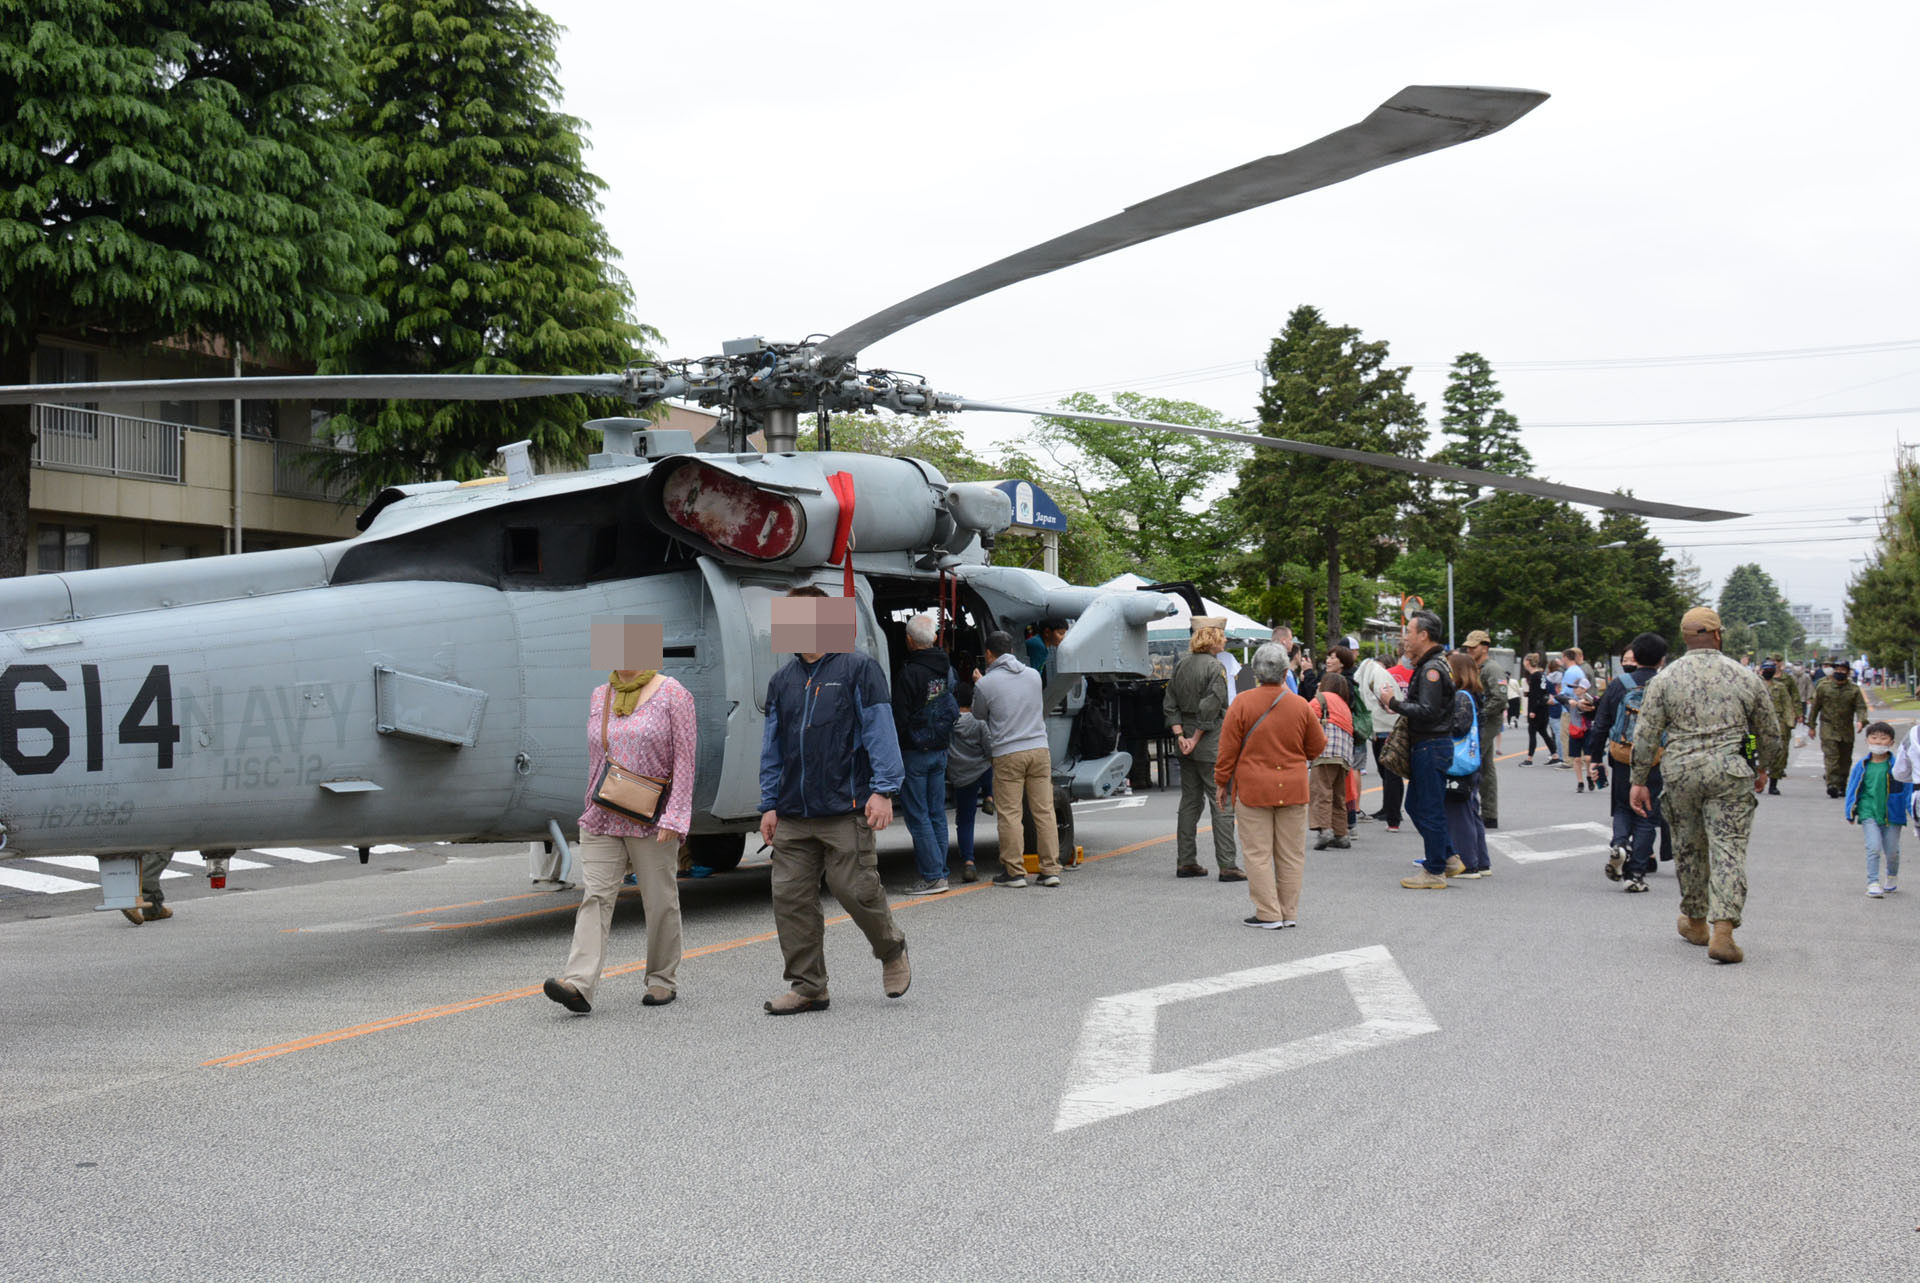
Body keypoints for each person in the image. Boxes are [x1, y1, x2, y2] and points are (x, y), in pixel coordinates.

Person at [757, 586, 911, 1015]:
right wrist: (769, 803)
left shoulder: (859, 669)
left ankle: (891, 949)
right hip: (793, 811)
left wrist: (883, 789)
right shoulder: (782, 681)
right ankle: (808, 986)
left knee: (855, 889)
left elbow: (880, 730)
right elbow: (772, 747)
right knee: (790, 899)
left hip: (846, 806)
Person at [1630, 607, 1781, 965]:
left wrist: (1638, 780)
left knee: (1688, 848)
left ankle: (1696, 922)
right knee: (1728, 849)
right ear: (1717, 634)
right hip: (1730, 771)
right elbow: (1768, 732)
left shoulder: (1665, 679)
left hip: (1681, 772)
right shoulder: (1744, 677)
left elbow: (1646, 734)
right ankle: (1723, 930)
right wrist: (1762, 766)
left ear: (1684, 637)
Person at [544, 665, 697, 1015]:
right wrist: (589, 804)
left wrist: (675, 816)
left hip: (652, 817)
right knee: (595, 897)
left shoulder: (673, 693)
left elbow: (686, 759)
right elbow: (597, 759)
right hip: (603, 813)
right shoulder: (601, 695)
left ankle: (661, 979)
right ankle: (579, 984)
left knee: (659, 901)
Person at [1215, 643, 1326, 928]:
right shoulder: (1300, 705)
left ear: (1255, 672)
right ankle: (1288, 912)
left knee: (1257, 853)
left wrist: (1221, 782)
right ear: (1286, 672)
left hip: (1253, 788)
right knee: (1291, 855)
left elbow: (1227, 750)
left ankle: (1267, 912)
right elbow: (1317, 747)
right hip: (1293, 787)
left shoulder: (1242, 703)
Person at [973, 630, 1063, 888]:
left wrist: (981, 681)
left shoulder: (986, 684)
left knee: (1011, 813)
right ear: (1012, 651)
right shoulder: (1033, 675)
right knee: (1044, 811)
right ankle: (1050, 869)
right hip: (1039, 748)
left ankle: (1014, 872)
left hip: (1008, 752)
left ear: (989, 654)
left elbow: (979, 714)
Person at [1377, 610, 1457, 890]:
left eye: (1409, 632)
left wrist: (1394, 703)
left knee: (1428, 807)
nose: (1405, 638)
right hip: (1431, 745)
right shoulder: (1432, 664)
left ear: (1424, 635)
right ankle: (1448, 857)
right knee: (1414, 804)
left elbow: (1428, 710)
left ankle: (1435, 870)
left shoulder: (1432, 669)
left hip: (1431, 744)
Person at [1588, 633, 1669, 893]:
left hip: (1622, 756)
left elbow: (1601, 724)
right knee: (1647, 814)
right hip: (1656, 758)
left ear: (1635, 657)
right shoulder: (1667, 684)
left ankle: (1620, 843)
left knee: (1623, 806)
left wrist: (1595, 758)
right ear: (1661, 659)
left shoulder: (1619, 684)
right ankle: (1635, 874)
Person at [1164, 624, 1243, 880]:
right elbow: (1211, 707)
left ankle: (1186, 861)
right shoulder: (1215, 667)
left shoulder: (1180, 665)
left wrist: (1181, 737)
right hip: (1209, 742)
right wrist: (1195, 738)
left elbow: (1170, 704)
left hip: (1184, 742)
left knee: (1189, 801)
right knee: (1221, 801)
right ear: (1212, 641)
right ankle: (1227, 865)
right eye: (1222, 638)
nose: (1225, 641)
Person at [892, 612, 959, 896]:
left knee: (918, 815)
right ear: (933, 638)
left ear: (909, 640)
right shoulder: (946, 668)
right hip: (940, 748)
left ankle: (933, 876)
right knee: (936, 814)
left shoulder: (908, 673)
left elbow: (899, 717)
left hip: (915, 751)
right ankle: (940, 872)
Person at [1443, 651, 1491, 878]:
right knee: (1470, 810)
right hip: (1471, 760)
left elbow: (1458, 727)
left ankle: (1467, 862)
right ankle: (1481, 861)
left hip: (1459, 762)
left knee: (1459, 812)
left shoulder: (1461, 696)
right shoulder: (1475, 695)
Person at [1847, 721, 1907, 898]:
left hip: (1892, 814)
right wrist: (1850, 811)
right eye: (1874, 738)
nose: (1878, 742)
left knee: (1892, 851)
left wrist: (1913, 811)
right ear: (1867, 740)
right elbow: (1852, 788)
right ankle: (1873, 882)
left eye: (1883, 738)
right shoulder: (1862, 766)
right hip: (1868, 812)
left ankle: (1892, 876)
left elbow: (1908, 790)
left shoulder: (1897, 766)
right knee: (1873, 847)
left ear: (1891, 742)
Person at [1355, 645, 1405, 833]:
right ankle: (1389, 810)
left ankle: (1393, 817)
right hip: (1385, 727)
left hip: (1385, 729)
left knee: (1390, 774)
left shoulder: (1375, 674)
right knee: (1389, 773)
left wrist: (1388, 707)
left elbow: (1388, 699)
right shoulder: (1376, 673)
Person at [947, 681, 991, 884]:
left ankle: (969, 863)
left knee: (965, 821)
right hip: (981, 771)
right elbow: (989, 749)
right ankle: (989, 796)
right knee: (989, 765)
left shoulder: (947, 724)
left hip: (961, 777)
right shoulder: (979, 722)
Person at [1807, 661, 1871, 798]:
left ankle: (1842, 784)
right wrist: (1811, 726)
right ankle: (1832, 784)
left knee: (1845, 758)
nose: (1839, 672)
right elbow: (1815, 707)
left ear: (1847, 672)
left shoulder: (1854, 689)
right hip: (1828, 727)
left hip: (1846, 728)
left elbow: (1860, 707)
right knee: (1831, 756)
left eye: (1843, 670)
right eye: (1837, 669)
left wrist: (1861, 720)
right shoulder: (1823, 687)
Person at [1307, 672, 1355, 850]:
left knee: (1321, 792)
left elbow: (1307, 718)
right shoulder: (1344, 705)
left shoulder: (1321, 698)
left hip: (1325, 750)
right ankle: (1341, 834)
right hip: (1344, 754)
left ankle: (1325, 830)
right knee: (1338, 795)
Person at [1462, 630, 1505, 828]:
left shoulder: (1492, 668)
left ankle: (1477, 810)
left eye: (1474, 646)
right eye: (1468, 647)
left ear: (1485, 647)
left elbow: (1499, 698)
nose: (1469, 650)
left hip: (1487, 721)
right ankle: (1489, 814)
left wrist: (1480, 713)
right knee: (1486, 767)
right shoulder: (1477, 667)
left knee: (1473, 763)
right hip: (1481, 721)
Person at [1760, 660, 1800, 795]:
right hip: (1760, 722)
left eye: (1770, 670)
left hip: (1779, 722)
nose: (1768, 672)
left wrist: (1790, 722)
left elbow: (1787, 704)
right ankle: (1759, 779)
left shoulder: (1780, 687)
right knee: (1758, 753)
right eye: (1766, 669)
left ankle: (1773, 783)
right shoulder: (1755, 685)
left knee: (1780, 753)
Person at [1557, 647, 1592, 774]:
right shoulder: (1578, 670)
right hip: (1579, 707)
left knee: (1566, 733)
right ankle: (1580, 760)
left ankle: (1569, 761)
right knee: (1579, 733)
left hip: (1570, 707)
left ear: (1566, 657)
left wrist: (1556, 699)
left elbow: (1566, 692)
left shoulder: (1570, 672)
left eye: (1562, 657)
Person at [1520, 653, 1551, 766]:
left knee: (1532, 732)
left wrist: (1532, 711)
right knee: (1543, 732)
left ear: (1528, 662)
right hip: (1543, 707)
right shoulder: (1541, 674)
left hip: (1536, 708)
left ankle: (1529, 759)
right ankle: (1555, 755)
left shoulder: (1534, 676)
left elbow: (1536, 695)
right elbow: (1542, 692)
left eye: (1524, 661)